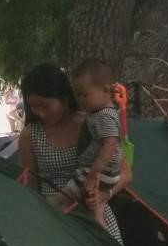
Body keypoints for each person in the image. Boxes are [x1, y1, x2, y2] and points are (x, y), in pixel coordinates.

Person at [18, 62, 127, 242]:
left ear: (64, 97)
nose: (40, 113)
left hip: (94, 213)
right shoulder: (30, 135)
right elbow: (31, 184)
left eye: (45, 106)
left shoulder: (92, 123)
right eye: (34, 107)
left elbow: (125, 173)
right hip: (54, 217)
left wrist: (103, 196)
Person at [51, 59, 124, 231]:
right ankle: (99, 224)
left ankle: (50, 213)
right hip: (105, 173)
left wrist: (95, 170)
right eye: (78, 95)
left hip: (100, 172)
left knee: (61, 197)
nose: (81, 100)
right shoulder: (99, 113)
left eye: (85, 95)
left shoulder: (105, 116)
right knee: (93, 205)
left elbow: (111, 143)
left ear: (105, 90)